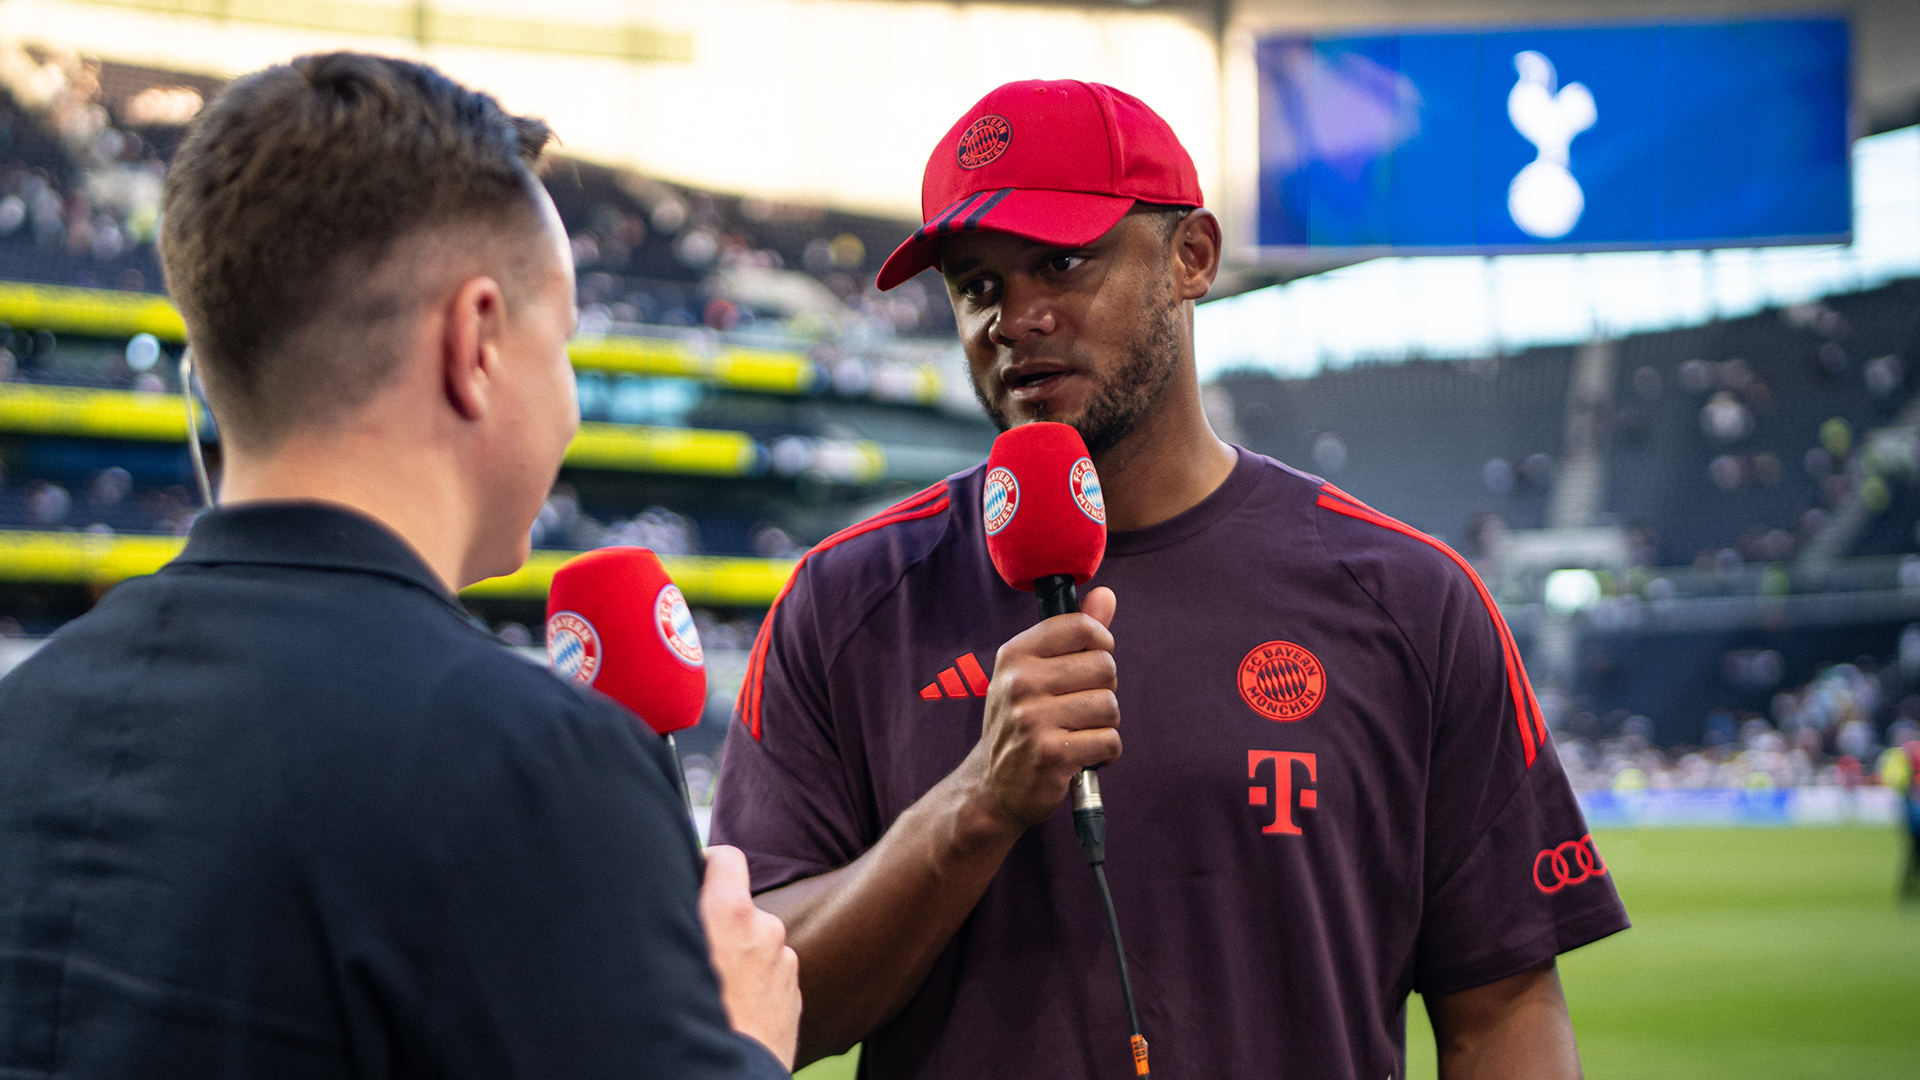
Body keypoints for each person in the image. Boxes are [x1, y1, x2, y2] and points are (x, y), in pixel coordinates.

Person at [712, 79, 1629, 1079]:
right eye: (977, 285)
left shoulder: (1411, 598)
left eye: (1060, 262)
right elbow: (763, 1002)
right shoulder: (845, 601)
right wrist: (978, 801)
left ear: (1192, 258)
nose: (1015, 318)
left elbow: (1501, 1013)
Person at [0, 54, 797, 1078]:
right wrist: (739, 1044)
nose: (571, 401)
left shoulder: (30, 718)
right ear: (476, 342)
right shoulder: (530, 767)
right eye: (563, 341)